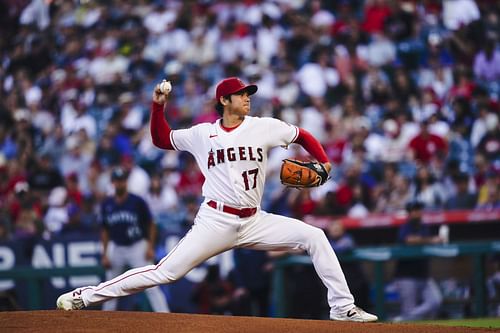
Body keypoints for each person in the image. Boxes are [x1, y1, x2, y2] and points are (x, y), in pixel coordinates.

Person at [56, 77, 377, 322]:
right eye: (241, 95)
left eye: (248, 94)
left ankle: (343, 308)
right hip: (216, 221)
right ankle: (86, 296)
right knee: (164, 272)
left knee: (314, 236)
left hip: (254, 220)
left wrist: (325, 161)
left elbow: (302, 135)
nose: (247, 99)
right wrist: (158, 107)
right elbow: (161, 138)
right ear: (224, 100)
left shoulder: (263, 127)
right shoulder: (201, 134)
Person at [92, 166, 169, 312]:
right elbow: (105, 230)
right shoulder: (107, 204)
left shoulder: (137, 201)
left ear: (126, 182)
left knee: (151, 283)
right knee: (109, 285)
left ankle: (165, 314)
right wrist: (104, 253)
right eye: (117, 180)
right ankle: (105, 319)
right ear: (112, 183)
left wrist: (150, 247)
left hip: (137, 246)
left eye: (122, 180)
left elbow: (151, 224)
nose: (120, 183)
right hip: (117, 247)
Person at [392, 201, 444, 322]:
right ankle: (406, 318)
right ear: (409, 213)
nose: (418, 213)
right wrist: (431, 240)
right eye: (415, 210)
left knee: (435, 301)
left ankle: (403, 319)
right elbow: (409, 240)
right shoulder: (405, 227)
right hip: (406, 276)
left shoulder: (424, 227)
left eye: (419, 210)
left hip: (424, 274)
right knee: (409, 309)